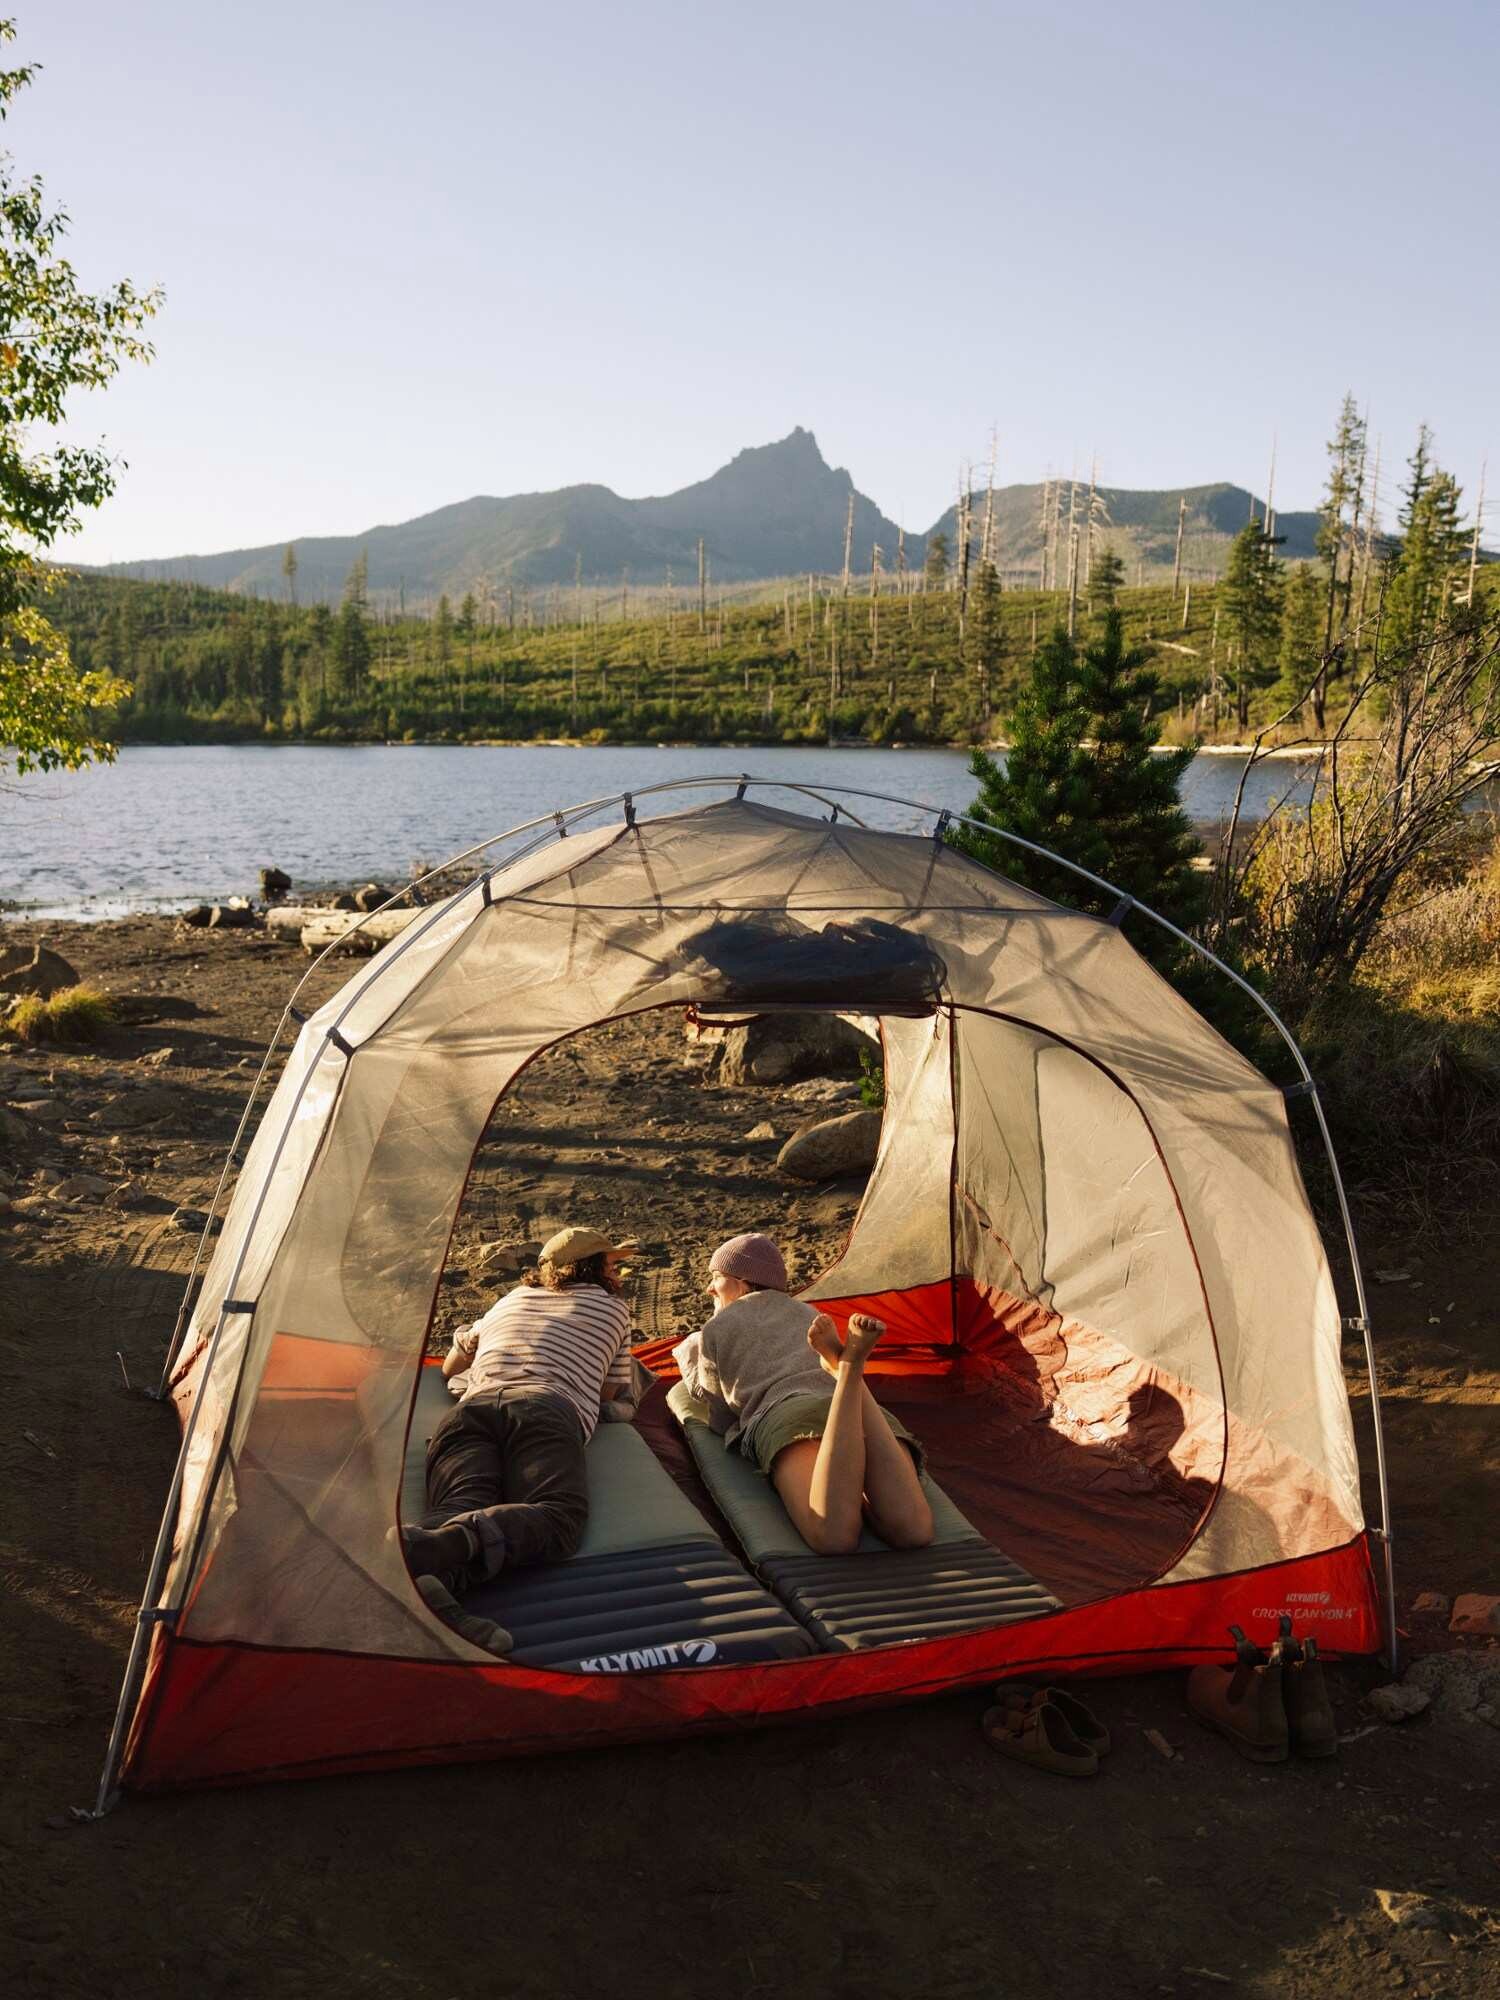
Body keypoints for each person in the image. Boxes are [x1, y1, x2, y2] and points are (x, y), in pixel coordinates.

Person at [399, 1226, 636, 1602]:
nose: (617, 1275)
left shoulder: (514, 1297)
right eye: (611, 1266)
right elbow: (606, 1391)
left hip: (470, 1411)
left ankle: (434, 1583)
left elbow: (450, 1365)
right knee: (558, 1519)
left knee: (459, 1505)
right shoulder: (615, 1310)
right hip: (542, 1408)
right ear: (591, 1269)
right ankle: (459, 1541)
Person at [672, 1232, 933, 1556]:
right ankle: (848, 1373)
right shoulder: (808, 1313)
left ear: (741, 1283)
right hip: (856, 1410)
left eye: (716, 1278)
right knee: (913, 1530)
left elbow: (720, 1416)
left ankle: (847, 1371)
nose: (710, 1288)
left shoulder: (717, 1328)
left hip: (789, 1413)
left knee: (833, 1536)